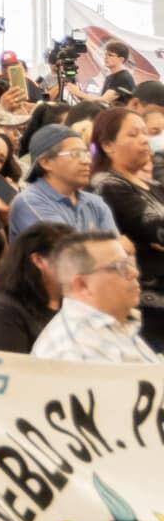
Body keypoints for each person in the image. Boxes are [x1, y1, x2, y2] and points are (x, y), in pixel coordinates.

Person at [85, 104, 164, 346]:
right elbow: (157, 232)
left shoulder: (154, 186)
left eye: (145, 133)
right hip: (146, 309)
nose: (144, 140)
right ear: (108, 145)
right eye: (133, 134)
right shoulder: (108, 184)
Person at [31, 231, 159, 363]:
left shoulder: (113, 326)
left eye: (130, 263)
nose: (134, 272)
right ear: (83, 285)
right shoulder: (74, 348)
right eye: (120, 267)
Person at [0, 221, 69, 354]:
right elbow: (5, 370)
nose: (80, 267)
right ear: (38, 260)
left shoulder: (75, 306)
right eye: (70, 258)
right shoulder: (1, 312)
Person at [7, 123, 116, 236]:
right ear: (46, 162)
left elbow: (118, 252)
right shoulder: (29, 201)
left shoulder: (95, 203)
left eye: (87, 154)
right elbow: (67, 250)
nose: (87, 161)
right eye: (75, 154)